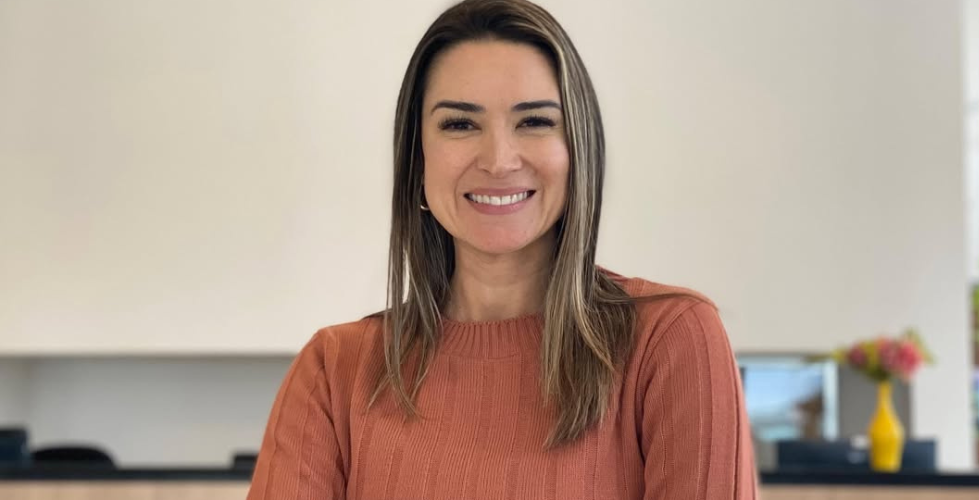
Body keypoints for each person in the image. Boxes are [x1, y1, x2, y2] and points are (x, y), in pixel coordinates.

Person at [246, 0, 758, 498]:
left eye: (534, 121)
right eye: (460, 124)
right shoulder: (335, 370)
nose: (498, 159)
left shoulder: (669, 341)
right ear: (418, 161)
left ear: (578, 150)